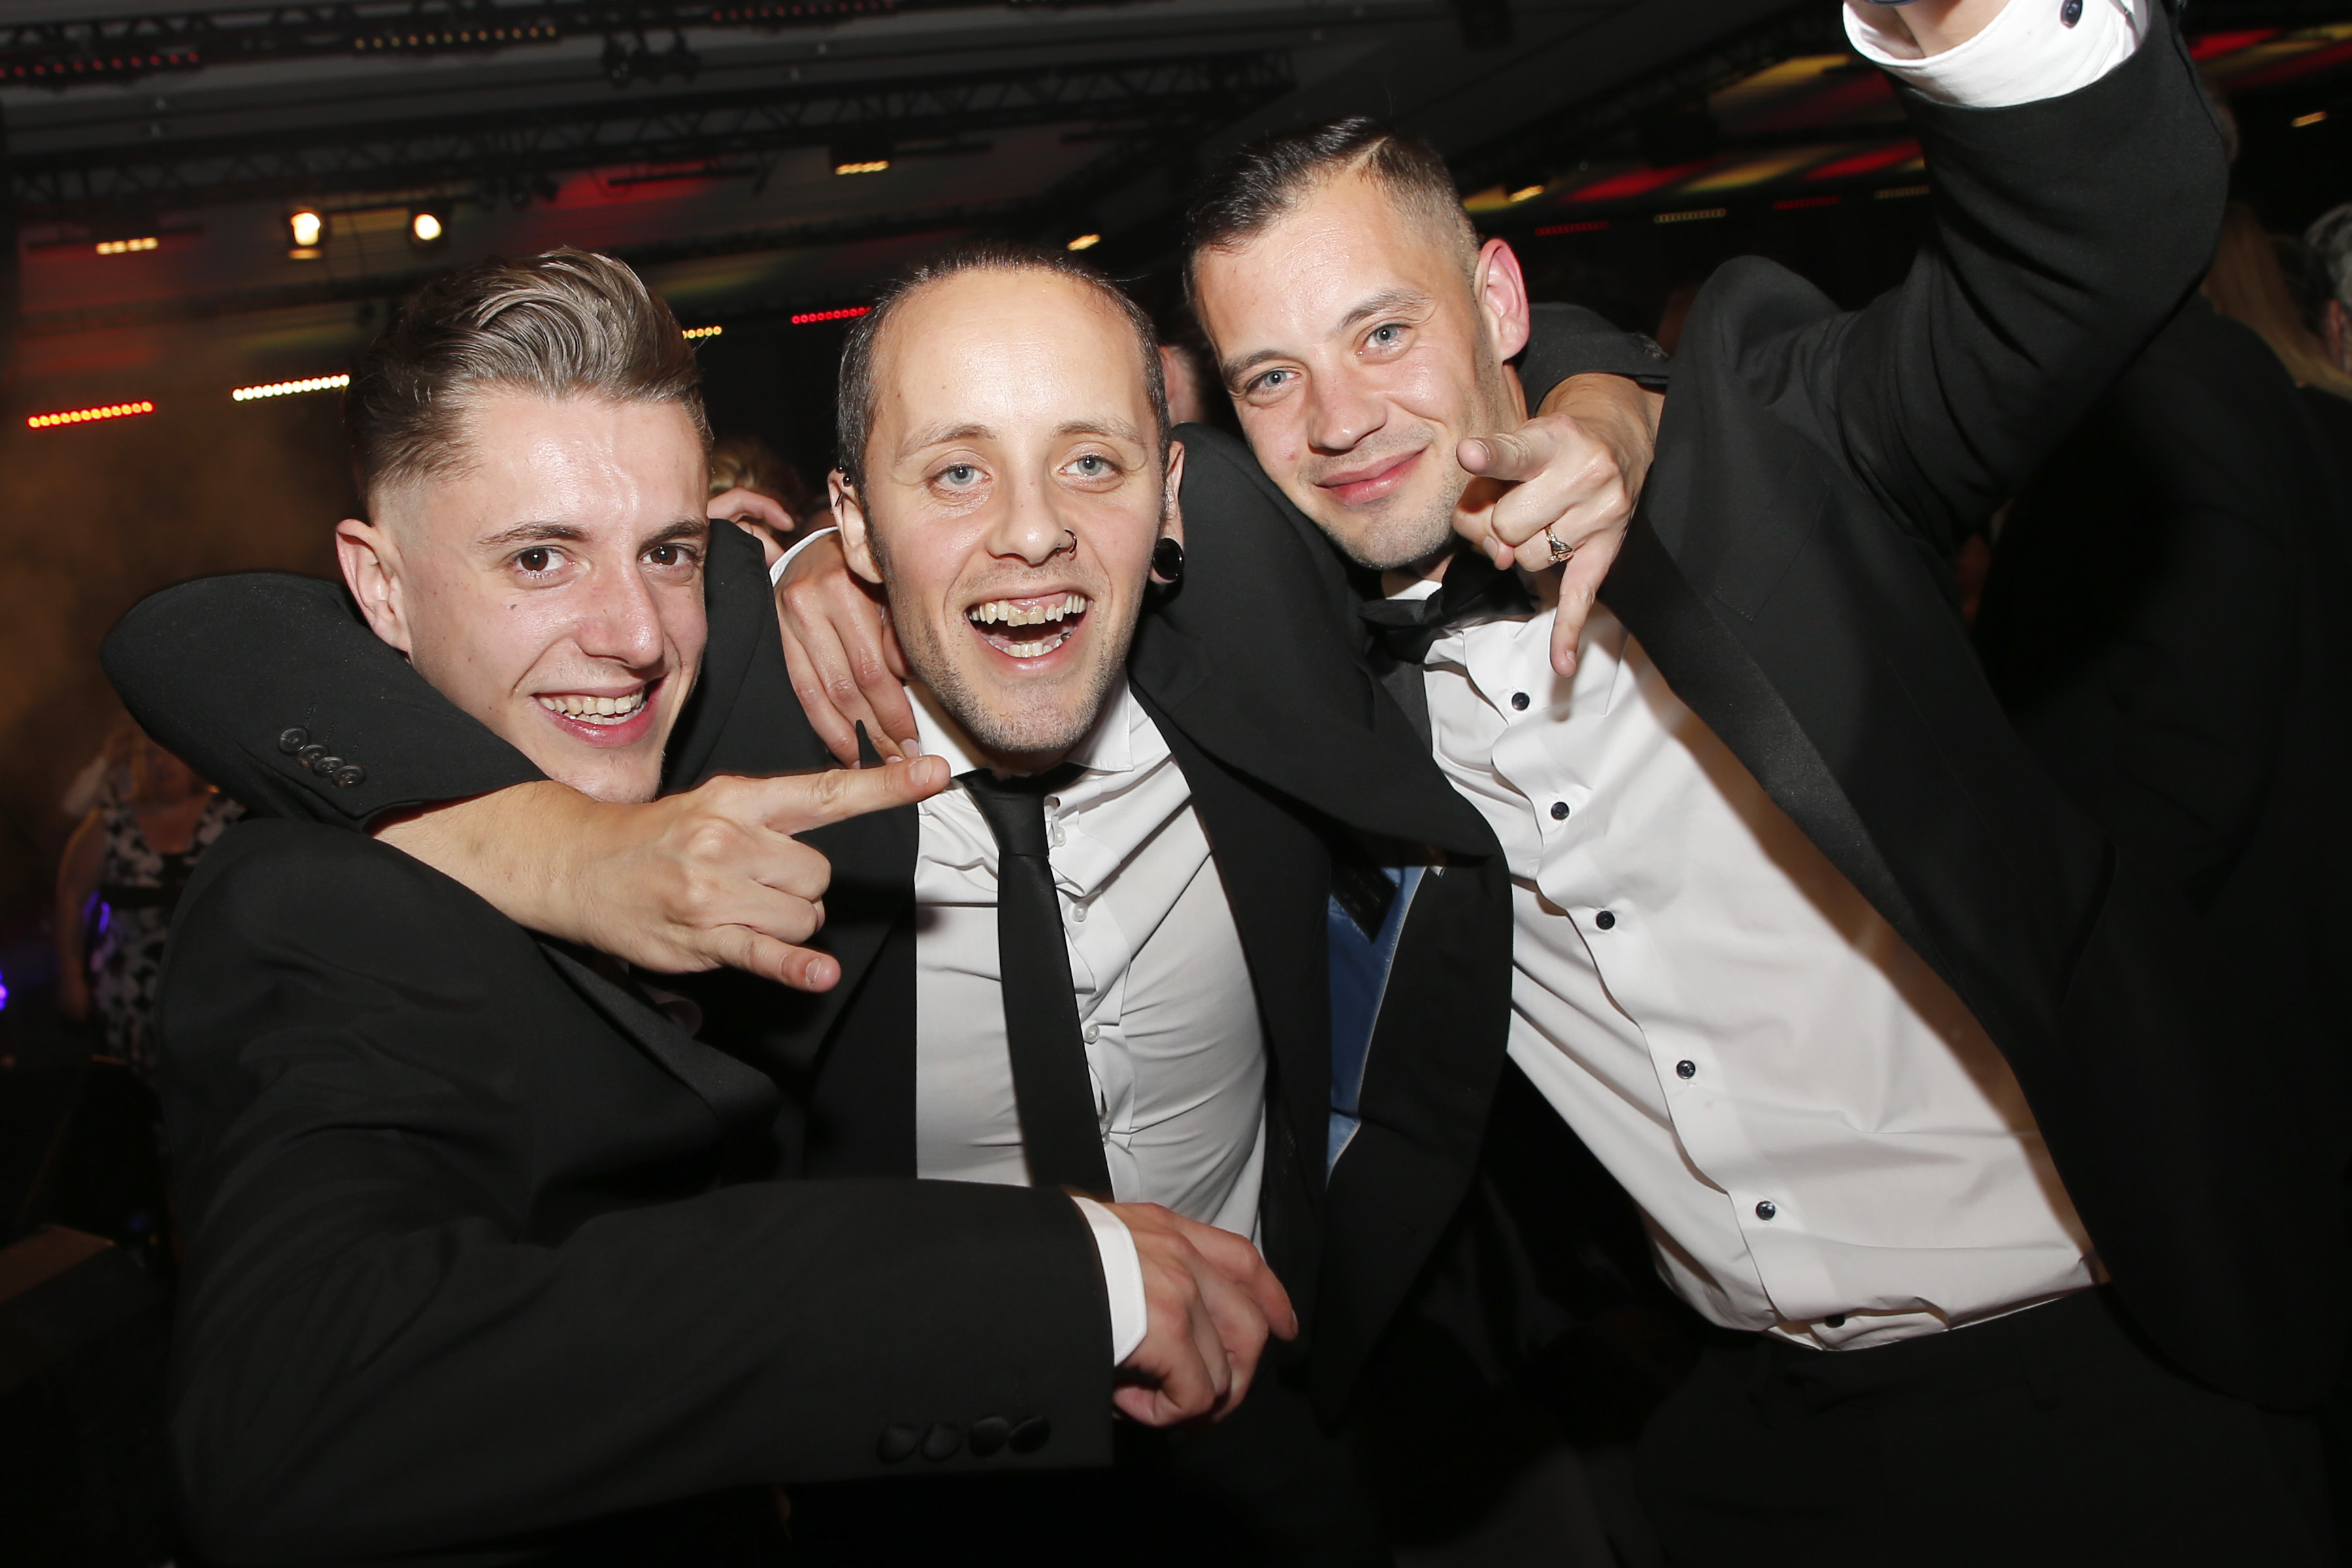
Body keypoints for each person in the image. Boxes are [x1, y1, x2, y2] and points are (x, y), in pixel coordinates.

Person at [789, 1, 2333, 1559]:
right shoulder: (1310, 650)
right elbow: (1023, 524)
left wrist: (1966, 29)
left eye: (1382, 334)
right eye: (1269, 378)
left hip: (2117, 1374)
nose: (1339, 421)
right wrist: (808, 568)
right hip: (1745, 1443)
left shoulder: (1783, 461)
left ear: (1500, 298)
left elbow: (2095, 242)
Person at [105, 248, 1296, 1567]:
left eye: (667, 551)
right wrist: (1036, 1280)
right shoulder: (313, 910)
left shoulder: (753, 665)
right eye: (541, 557)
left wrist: (801, 565)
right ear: (381, 585)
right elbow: (291, 1409)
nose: (635, 634)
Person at [52, 719, 240, 1079]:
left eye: (169, 753)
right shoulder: (109, 822)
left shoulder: (230, 814)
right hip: (130, 986)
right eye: (149, 754)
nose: (160, 763)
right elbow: (70, 897)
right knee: (139, 1090)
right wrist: (71, 976)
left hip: (218, 981)